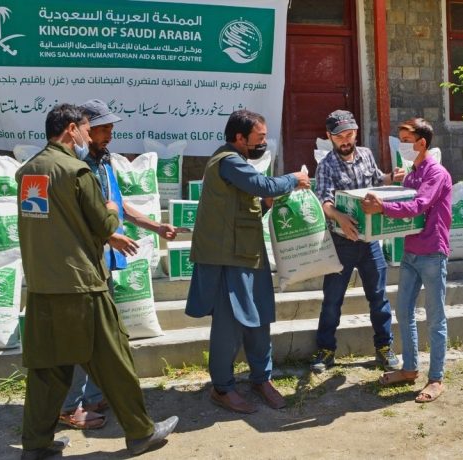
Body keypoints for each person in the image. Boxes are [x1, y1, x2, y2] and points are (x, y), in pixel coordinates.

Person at [17, 103, 177, 459]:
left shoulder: (29, 171)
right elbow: (105, 225)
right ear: (72, 129)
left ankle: (36, 445)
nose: (90, 138)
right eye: (87, 131)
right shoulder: (76, 171)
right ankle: (141, 433)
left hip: (43, 286)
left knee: (48, 369)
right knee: (114, 360)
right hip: (81, 285)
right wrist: (111, 209)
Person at [57, 99, 180, 430]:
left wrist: (155, 226)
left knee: (105, 333)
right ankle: (68, 406)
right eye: (103, 129)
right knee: (82, 336)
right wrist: (110, 235)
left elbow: (117, 205)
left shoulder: (103, 162)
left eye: (111, 128)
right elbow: (82, 213)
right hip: (82, 264)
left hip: (104, 263)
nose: (109, 134)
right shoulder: (72, 167)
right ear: (84, 130)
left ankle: (94, 394)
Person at [186, 109, 311, 414]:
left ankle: (261, 378)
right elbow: (264, 186)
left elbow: (249, 208)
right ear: (240, 138)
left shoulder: (238, 164)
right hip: (227, 258)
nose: (263, 143)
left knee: (260, 320)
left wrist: (267, 205)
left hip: (248, 254)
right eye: (259, 138)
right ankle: (222, 387)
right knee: (228, 326)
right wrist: (293, 179)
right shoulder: (227, 161)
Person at [361, 117, 452, 403]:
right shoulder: (413, 173)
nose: (402, 146)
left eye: (406, 141)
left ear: (422, 143)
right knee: (404, 311)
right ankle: (410, 369)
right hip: (410, 252)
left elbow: (417, 205)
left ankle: (436, 378)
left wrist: (382, 208)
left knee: (435, 317)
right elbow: (407, 193)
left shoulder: (436, 173)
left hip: (432, 252)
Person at [311, 109, 404, 373]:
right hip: (341, 243)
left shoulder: (366, 154)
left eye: (350, 134)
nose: (346, 140)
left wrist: (391, 178)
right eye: (340, 136)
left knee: (378, 297)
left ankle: (384, 349)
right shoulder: (326, 165)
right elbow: (323, 201)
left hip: (370, 242)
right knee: (332, 299)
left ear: (356, 133)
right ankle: (326, 350)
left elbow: (377, 180)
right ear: (329, 137)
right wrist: (339, 217)